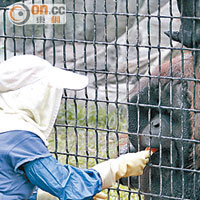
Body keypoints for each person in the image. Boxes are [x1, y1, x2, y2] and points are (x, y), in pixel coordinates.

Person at [0, 55, 151, 200]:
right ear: (34, 95)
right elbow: (68, 186)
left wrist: (43, 196)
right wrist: (117, 167)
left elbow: (8, 184)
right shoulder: (20, 136)